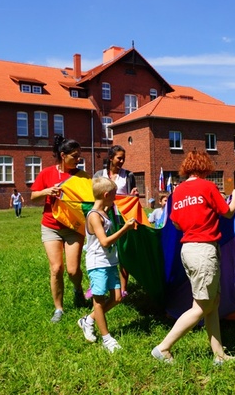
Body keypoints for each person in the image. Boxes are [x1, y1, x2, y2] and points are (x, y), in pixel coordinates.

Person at [151, 150, 235, 365]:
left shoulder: (177, 192)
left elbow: (175, 223)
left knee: (212, 303)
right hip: (204, 250)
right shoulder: (207, 187)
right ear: (205, 167)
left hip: (188, 250)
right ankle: (163, 348)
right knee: (202, 306)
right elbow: (227, 212)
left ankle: (219, 355)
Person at [31, 134, 89, 323]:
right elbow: (33, 197)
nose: (79, 159)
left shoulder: (83, 176)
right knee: (56, 268)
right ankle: (59, 309)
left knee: (73, 270)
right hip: (51, 226)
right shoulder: (47, 173)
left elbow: (90, 200)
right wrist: (46, 191)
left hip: (73, 226)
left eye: (79, 155)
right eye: (75, 156)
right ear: (63, 155)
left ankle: (78, 289)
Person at [77, 177, 137, 353]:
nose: (115, 197)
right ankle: (107, 339)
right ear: (105, 194)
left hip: (110, 261)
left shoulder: (103, 211)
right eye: (113, 194)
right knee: (99, 300)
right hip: (98, 263)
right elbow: (104, 242)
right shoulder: (94, 216)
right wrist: (124, 229)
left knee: (117, 297)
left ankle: (88, 320)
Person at [94, 145, 138, 295]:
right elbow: (94, 196)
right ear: (111, 158)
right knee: (106, 250)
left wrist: (133, 195)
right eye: (119, 158)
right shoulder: (99, 175)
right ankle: (104, 283)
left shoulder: (128, 175)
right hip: (104, 218)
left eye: (123, 158)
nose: (122, 161)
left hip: (122, 217)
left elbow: (132, 196)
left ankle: (123, 289)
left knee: (123, 252)